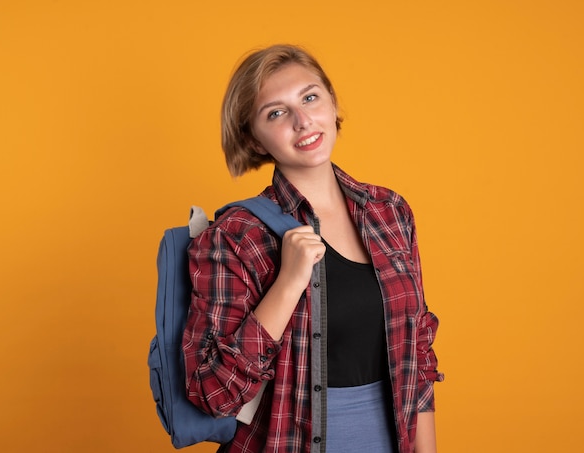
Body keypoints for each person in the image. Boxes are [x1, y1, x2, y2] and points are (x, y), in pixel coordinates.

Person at [182, 44, 443, 453]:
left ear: (332, 102)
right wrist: (287, 283)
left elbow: (418, 358)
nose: (303, 121)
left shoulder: (389, 212)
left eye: (309, 97)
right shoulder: (235, 236)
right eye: (276, 112)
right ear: (254, 139)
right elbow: (213, 393)